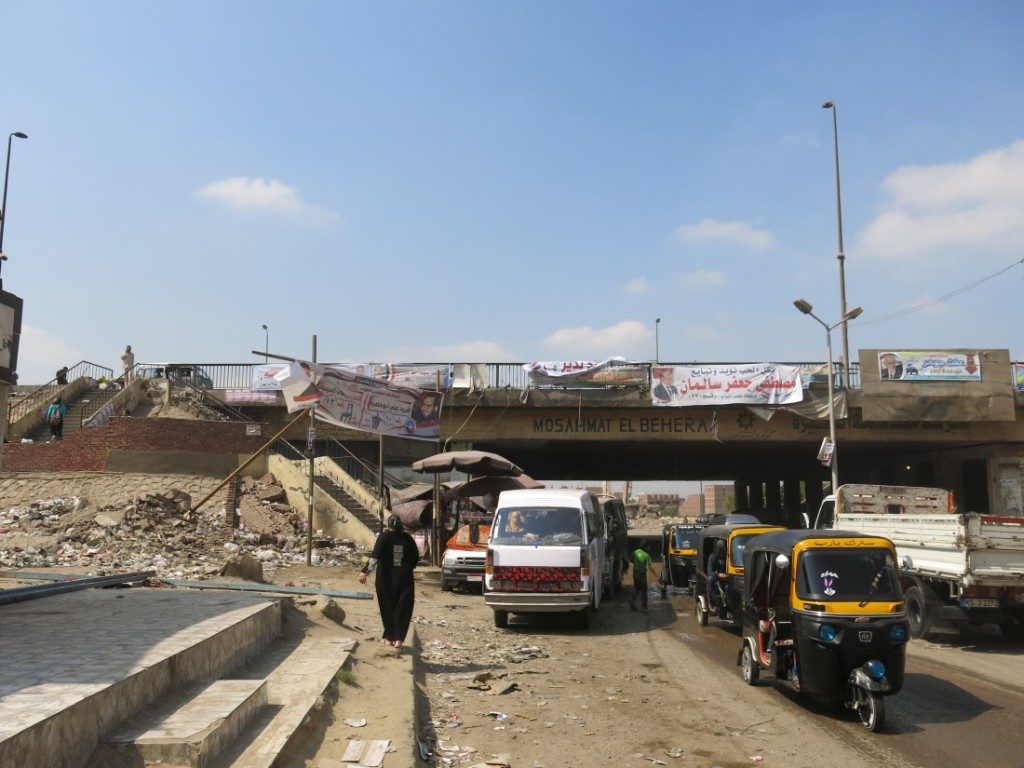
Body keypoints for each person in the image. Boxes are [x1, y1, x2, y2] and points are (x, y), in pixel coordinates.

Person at [358, 515, 420, 649]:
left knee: (388, 607)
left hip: (386, 578)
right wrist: (404, 567)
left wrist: (365, 572)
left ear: (389, 525)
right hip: (405, 577)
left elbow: (375, 557)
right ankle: (397, 638)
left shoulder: (384, 537)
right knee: (402, 607)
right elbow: (415, 558)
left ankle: (391, 636)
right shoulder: (408, 539)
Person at [628, 545, 659, 611]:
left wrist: (635, 563)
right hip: (642, 574)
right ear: (646, 547)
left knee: (637, 588)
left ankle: (631, 598)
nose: (649, 548)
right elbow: (650, 567)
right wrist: (656, 575)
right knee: (644, 590)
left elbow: (630, 558)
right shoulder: (647, 555)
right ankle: (644, 607)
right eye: (648, 546)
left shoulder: (636, 551)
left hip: (635, 573)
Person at [706, 539, 726, 615]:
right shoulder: (712, 557)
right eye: (721, 549)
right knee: (710, 579)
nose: (722, 551)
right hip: (715, 576)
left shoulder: (726, 557)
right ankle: (715, 601)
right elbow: (709, 571)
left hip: (725, 577)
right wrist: (717, 575)